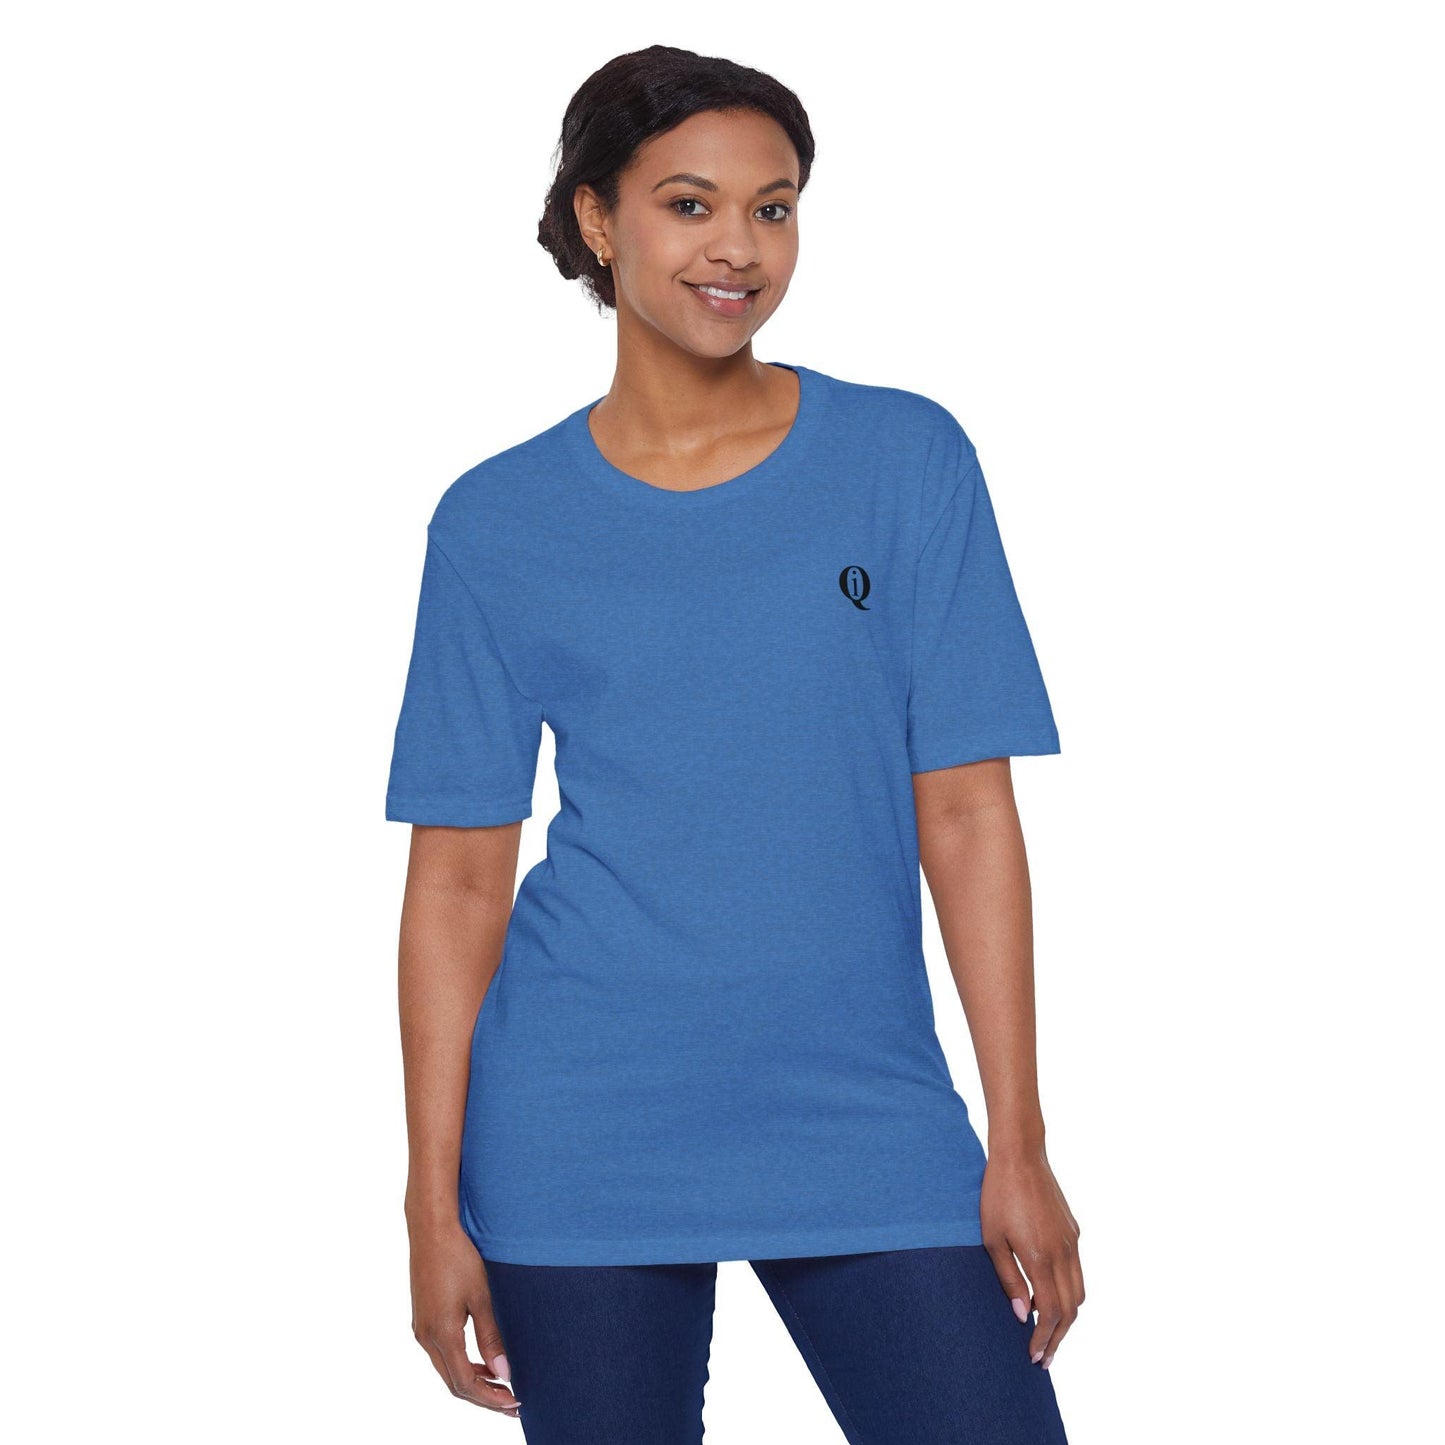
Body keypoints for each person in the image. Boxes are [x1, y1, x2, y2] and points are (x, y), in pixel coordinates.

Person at [386, 44, 1082, 1445]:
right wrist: (431, 1203)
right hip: (580, 1128)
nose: (739, 248)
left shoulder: (906, 462)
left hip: (864, 1109)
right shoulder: (497, 520)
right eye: (689, 204)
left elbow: (965, 813)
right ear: (598, 220)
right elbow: (457, 880)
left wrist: (1017, 1137)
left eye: (773, 208)